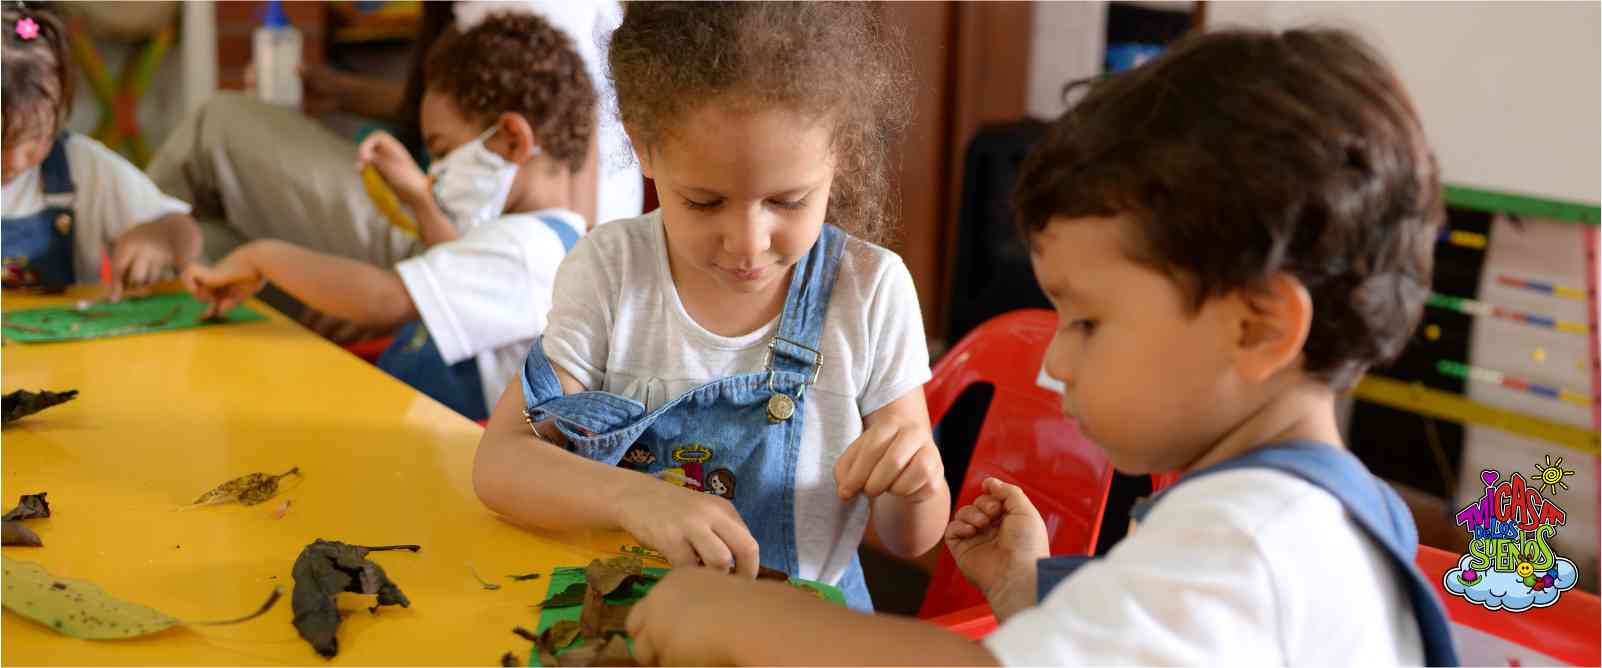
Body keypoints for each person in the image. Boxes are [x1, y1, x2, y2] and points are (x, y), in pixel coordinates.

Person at [621, 27, 1459, 666]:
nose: (1056, 361)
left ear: (1259, 327)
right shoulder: (1330, 512)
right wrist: (1029, 593)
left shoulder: (1251, 541)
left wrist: (756, 622)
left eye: (1088, 321)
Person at [472, 2, 942, 612]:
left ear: (841, 151)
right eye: (703, 202)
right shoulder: (610, 272)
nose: (747, 243)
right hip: (635, 610)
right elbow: (501, 462)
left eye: (789, 200)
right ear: (644, 147)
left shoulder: (871, 292)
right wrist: (632, 498)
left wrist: (915, 480)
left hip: (807, 630)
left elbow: (912, 539)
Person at [182, 13, 594, 421]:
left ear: (512, 138)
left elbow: (384, 299)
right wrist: (419, 199)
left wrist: (262, 258)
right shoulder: (542, 240)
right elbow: (455, 266)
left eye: (444, 150)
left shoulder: (527, 249)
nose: (436, 173)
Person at [2, 6, 200, 299]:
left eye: (36, 138)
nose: (16, 161)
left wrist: (160, 238)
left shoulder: (80, 166)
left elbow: (183, 228)